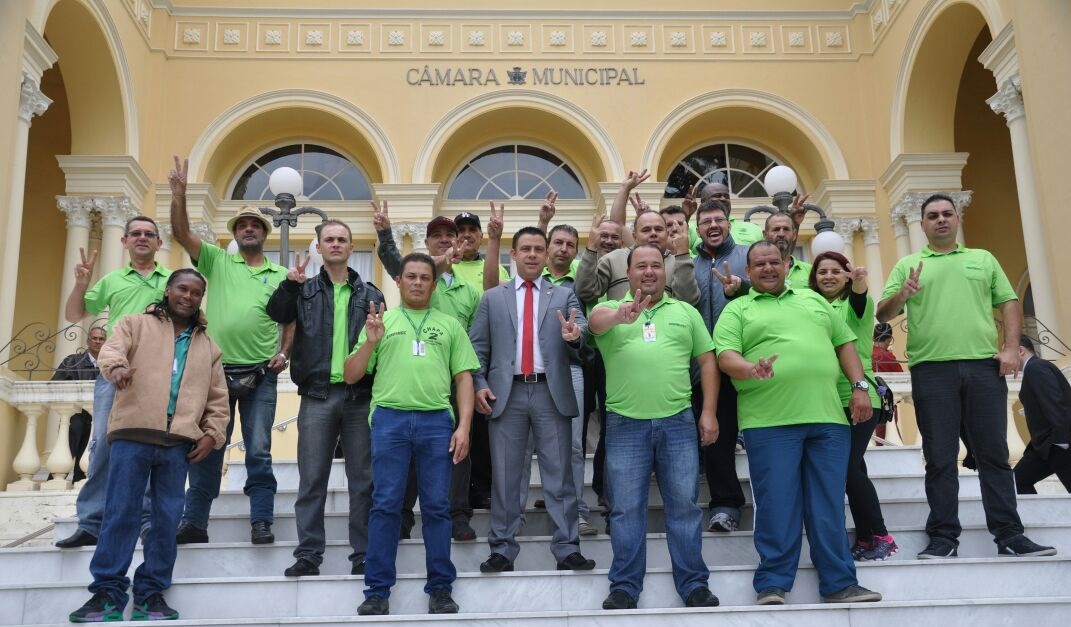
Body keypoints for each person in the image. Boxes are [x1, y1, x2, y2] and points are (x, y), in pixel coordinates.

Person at [877, 193, 1056, 559]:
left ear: (957, 219)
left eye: (946, 213)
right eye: (932, 216)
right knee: (940, 456)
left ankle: (1009, 535)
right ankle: (943, 538)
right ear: (923, 224)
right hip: (931, 371)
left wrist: (1009, 348)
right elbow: (882, 313)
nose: (940, 219)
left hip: (982, 368)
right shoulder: (909, 264)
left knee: (993, 454)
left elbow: (1008, 302)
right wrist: (903, 293)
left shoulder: (982, 259)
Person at [715, 240, 881, 605]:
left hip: (827, 419)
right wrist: (749, 368)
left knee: (828, 503)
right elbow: (725, 356)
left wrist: (859, 387)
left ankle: (840, 583)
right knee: (777, 503)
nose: (768, 268)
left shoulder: (815, 300)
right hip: (769, 422)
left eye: (774, 262)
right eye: (760, 264)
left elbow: (845, 345)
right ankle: (773, 582)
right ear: (748, 272)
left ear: (787, 265)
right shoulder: (738, 309)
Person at [68, 269, 228, 622]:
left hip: (177, 446)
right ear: (168, 290)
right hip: (132, 437)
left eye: (196, 292)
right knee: (121, 514)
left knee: (166, 520)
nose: (188, 296)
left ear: (202, 298)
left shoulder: (209, 347)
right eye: (182, 288)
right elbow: (110, 351)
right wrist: (118, 368)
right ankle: (106, 594)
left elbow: (218, 400)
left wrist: (211, 434)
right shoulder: (133, 324)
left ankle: (151, 594)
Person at [345, 252, 478, 616]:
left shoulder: (450, 325)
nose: (418, 282)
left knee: (437, 507)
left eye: (424, 277)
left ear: (433, 284)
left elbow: (464, 377)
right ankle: (376, 590)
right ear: (399, 282)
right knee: (386, 505)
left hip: (437, 423)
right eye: (411, 277)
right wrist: (371, 342)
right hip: (390, 421)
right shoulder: (380, 321)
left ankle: (440, 589)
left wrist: (464, 426)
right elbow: (351, 374)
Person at [590, 244, 720, 610]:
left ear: (665, 272)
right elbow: (596, 325)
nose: (649, 272)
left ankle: (694, 584)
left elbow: (708, 363)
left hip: (678, 422)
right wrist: (622, 316)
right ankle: (625, 587)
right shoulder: (608, 309)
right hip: (625, 425)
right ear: (628, 273)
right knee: (625, 510)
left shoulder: (686, 312)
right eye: (640, 266)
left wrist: (708, 412)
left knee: (684, 507)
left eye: (655, 266)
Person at [168, 156, 291, 545]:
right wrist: (179, 195)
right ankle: (194, 521)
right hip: (213, 371)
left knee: (258, 449)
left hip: (262, 374)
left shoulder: (282, 275)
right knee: (207, 444)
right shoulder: (217, 261)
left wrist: (284, 354)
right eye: (243, 225)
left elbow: (291, 323)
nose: (250, 229)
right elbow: (181, 232)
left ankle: (261, 520)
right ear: (236, 233)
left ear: (265, 234)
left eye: (256, 225)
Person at [469, 227, 595, 574]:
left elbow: (582, 334)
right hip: (505, 394)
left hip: (550, 392)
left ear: (545, 255)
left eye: (539, 249)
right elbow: (477, 346)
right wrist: (479, 383)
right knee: (506, 477)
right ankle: (502, 549)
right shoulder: (493, 297)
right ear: (514, 253)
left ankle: (567, 548)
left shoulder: (564, 294)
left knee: (560, 475)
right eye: (525, 249)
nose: (532, 255)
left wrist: (574, 337)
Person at [266, 220, 386, 577]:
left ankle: (362, 554)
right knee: (312, 478)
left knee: (362, 480)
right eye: (329, 239)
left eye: (342, 239)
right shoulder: (302, 289)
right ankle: (308, 554)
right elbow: (275, 313)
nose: (335, 244)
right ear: (318, 247)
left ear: (351, 247)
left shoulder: (371, 294)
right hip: (316, 395)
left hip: (359, 396)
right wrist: (290, 285)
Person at [55, 216, 171, 549]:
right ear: (124, 242)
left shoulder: (170, 280)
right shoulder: (112, 279)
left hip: (158, 373)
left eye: (150, 234)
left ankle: (147, 521)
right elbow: (74, 315)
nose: (142, 238)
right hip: (113, 372)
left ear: (159, 243)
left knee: (154, 444)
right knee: (103, 444)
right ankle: (91, 521)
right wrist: (80, 283)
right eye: (135, 233)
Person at [374, 204, 484, 541]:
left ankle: (459, 517)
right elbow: (395, 263)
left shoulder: (469, 291)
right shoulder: (419, 274)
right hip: (416, 378)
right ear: (428, 241)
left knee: (459, 451)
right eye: (437, 236)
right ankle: (404, 517)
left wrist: (477, 380)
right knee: (407, 455)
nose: (445, 240)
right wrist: (383, 231)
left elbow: (479, 337)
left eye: (450, 235)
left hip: (456, 375)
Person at [809, 252, 897, 561]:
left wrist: (859, 283)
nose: (829, 276)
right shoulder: (809, 305)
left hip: (858, 397)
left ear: (846, 276)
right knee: (854, 467)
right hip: (828, 400)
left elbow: (860, 300)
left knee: (847, 468)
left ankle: (878, 535)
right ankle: (866, 538)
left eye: (836, 271)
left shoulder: (853, 305)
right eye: (822, 272)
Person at [690, 199, 749, 533]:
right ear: (697, 229)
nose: (713, 226)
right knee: (715, 438)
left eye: (719, 220)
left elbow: (770, 289)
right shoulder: (688, 264)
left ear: (729, 224)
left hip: (747, 362)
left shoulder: (746, 255)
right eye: (706, 221)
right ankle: (726, 505)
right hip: (704, 367)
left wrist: (742, 288)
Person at [541, 222, 596, 536]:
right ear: (548, 245)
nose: (563, 248)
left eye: (569, 244)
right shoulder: (530, 277)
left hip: (570, 368)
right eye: (558, 242)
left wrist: (577, 333)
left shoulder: (580, 283)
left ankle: (576, 512)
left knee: (574, 447)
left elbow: (587, 324)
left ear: (576, 251)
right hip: (528, 373)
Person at [576, 171, 699, 307]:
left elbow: (688, 302)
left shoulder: (680, 262)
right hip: (622, 327)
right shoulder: (613, 259)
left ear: (666, 233)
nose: (653, 233)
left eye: (658, 229)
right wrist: (591, 247)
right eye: (646, 230)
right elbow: (586, 292)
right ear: (634, 236)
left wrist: (683, 255)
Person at [1013, 337, 1071, 494]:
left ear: (1020, 351)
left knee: (1017, 480)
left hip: (1060, 443)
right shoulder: (1035, 369)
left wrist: (1061, 441)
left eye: (1007, 351)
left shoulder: (1036, 368)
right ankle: (1038, 519)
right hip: (1046, 446)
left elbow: (1055, 403)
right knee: (1017, 480)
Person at [51, 326, 107, 482]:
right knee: (68, 444)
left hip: (98, 415)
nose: (97, 341)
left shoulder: (109, 363)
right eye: (94, 338)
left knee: (90, 449)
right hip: (75, 414)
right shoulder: (72, 361)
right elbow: (56, 384)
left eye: (101, 339)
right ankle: (54, 478)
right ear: (88, 340)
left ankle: (80, 479)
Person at [763, 212, 811, 289]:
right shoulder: (757, 270)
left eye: (786, 229)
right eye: (776, 229)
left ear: (794, 235)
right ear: (765, 235)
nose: (781, 234)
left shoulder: (810, 270)